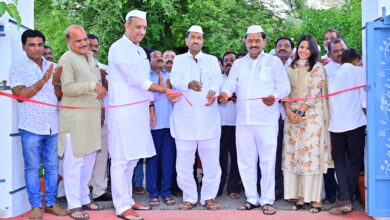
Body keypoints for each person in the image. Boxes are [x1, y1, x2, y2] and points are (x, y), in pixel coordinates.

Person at [107, 10, 179, 220]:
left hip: (138, 113)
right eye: (138, 27)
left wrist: (150, 106)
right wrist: (165, 90)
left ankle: (128, 199)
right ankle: (121, 206)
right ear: (126, 26)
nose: (141, 31)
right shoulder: (118, 48)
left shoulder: (139, 51)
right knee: (120, 159)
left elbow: (143, 84)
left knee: (132, 159)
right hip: (122, 112)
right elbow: (135, 80)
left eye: (144, 27)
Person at [219, 25, 290, 215]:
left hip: (266, 121)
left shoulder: (273, 62)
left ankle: (267, 200)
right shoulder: (239, 64)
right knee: (245, 161)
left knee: (267, 162)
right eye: (250, 40)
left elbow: (285, 87)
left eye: (257, 40)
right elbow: (230, 83)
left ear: (264, 42)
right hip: (243, 121)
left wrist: (274, 97)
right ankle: (251, 198)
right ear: (245, 42)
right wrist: (225, 93)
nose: (253, 44)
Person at [9, 29, 66, 219]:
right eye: (31, 45)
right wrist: (43, 81)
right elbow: (20, 96)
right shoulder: (17, 67)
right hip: (30, 126)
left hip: (52, 124)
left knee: (52, 167)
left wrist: (56, 83)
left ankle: (50, 203)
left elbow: (59, 97)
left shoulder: (54, 65)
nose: (37, 49)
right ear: (23, 46)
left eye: (40, 44)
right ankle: (35, 206)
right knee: (32, 168)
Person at [170, 25, 222, 211]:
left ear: (203, 41)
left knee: (211, 163)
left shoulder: (211, 60)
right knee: (184, 163)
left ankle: (209, 197)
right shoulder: (179, 60)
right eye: (192, 37)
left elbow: (218, 81)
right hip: (184, 120)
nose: (196, 41)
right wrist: (187, 83)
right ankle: (190, 197)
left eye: (199, 38)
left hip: (208, 119)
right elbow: (174, 80)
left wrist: (213, 91)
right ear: (186, 40)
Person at [58, 24, 107, 220]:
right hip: (75, 120)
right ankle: (73, 204)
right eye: (78, 40)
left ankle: (84, 198)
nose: (83, 43)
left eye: (84, 39)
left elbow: (100, 89)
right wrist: (91, 85)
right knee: (74, 163)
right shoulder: (66, 59)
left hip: (92, 118)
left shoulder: (91, 58)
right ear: (68, 42)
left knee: (89, 161)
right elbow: (67, 88)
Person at [282, 34, 333, 213]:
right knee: (294, 156)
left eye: (308, 48)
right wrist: (289, 111)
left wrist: (301, 111)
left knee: (310, 157)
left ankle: (316, 200)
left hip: (311, 117)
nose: (304, 51)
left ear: (313, 51)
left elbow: (314, 92)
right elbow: (284, 91)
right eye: (301, 47)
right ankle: (301, 197)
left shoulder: (317, 67)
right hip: (291, 117)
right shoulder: (290, 66)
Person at [328, 49, 366, 215]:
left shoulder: (334, 75)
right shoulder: (359, 71)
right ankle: (347, 199)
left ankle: (344, 198)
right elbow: (364, 100)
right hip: (355, 123)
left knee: (340, 161)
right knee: (355, 161)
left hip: (336, 125)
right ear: (356, 61)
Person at [146, 50, 176, 207]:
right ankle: (153, 193)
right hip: (153, 127)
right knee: (152, 161)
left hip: (170, 126)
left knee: (168, 161)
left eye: (161, 57)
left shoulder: (172, 76)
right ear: (149, 60)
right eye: (155, 56)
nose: (158, 58)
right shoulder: (146, 77)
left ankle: (166, 192)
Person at [86, 33, 112, 202]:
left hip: (103, 119)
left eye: (96, 46)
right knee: (83, 156)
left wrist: (103, 77)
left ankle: (100, 190)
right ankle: (82, 190)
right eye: (90, 46)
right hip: (82, 120)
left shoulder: (104, 68)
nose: (93, 49)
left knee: (102, 155)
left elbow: (110, 90)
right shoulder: (75, 66)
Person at [217, 51, 242, 199]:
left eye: (232, 60)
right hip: (219, 125)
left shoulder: (241, 81)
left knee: (235, 158)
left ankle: (233, 187)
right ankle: (217, 187)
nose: (229, 63)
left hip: (237, 125)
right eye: (226, 60)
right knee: (219, 158)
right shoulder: (217, 80)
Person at [274, 37, 295, 199]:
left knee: (290, 154)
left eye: (286, 46)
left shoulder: (296, 67)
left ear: (292, 50)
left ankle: (291, 190)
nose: (282, 48)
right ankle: (276, 188)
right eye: (279, 46)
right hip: (272, 116)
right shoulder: (268, 66)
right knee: (274, 154)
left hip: (293, 117)